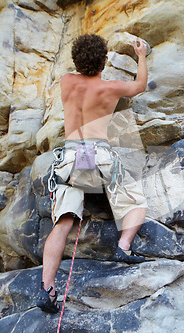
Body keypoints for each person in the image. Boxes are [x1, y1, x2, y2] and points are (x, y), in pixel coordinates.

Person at [36, 34, 149, 314]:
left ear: (76, 60)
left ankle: (47, 288)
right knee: (135, 203)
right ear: (104, 60)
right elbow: (140, 86)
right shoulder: (109, 88)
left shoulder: (66, 81)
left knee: (62, 223)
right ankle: (123, 246)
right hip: (98, 156)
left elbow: (79, 73)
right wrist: (142, 55)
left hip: (71, 157)